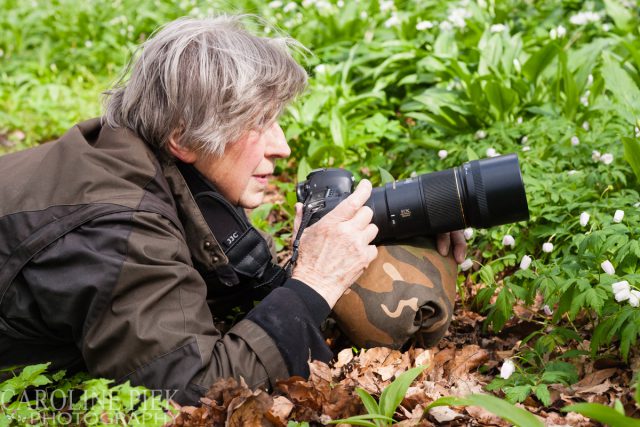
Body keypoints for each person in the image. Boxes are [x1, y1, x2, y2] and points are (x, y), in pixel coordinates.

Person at [0, 15, 465, 405]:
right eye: (258, 123)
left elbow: (217, 294)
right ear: (182, 136)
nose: (281, 146)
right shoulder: (117, 224)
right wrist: (315, 283)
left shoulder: (145, 167)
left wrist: (379, 237)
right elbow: (186, 388)